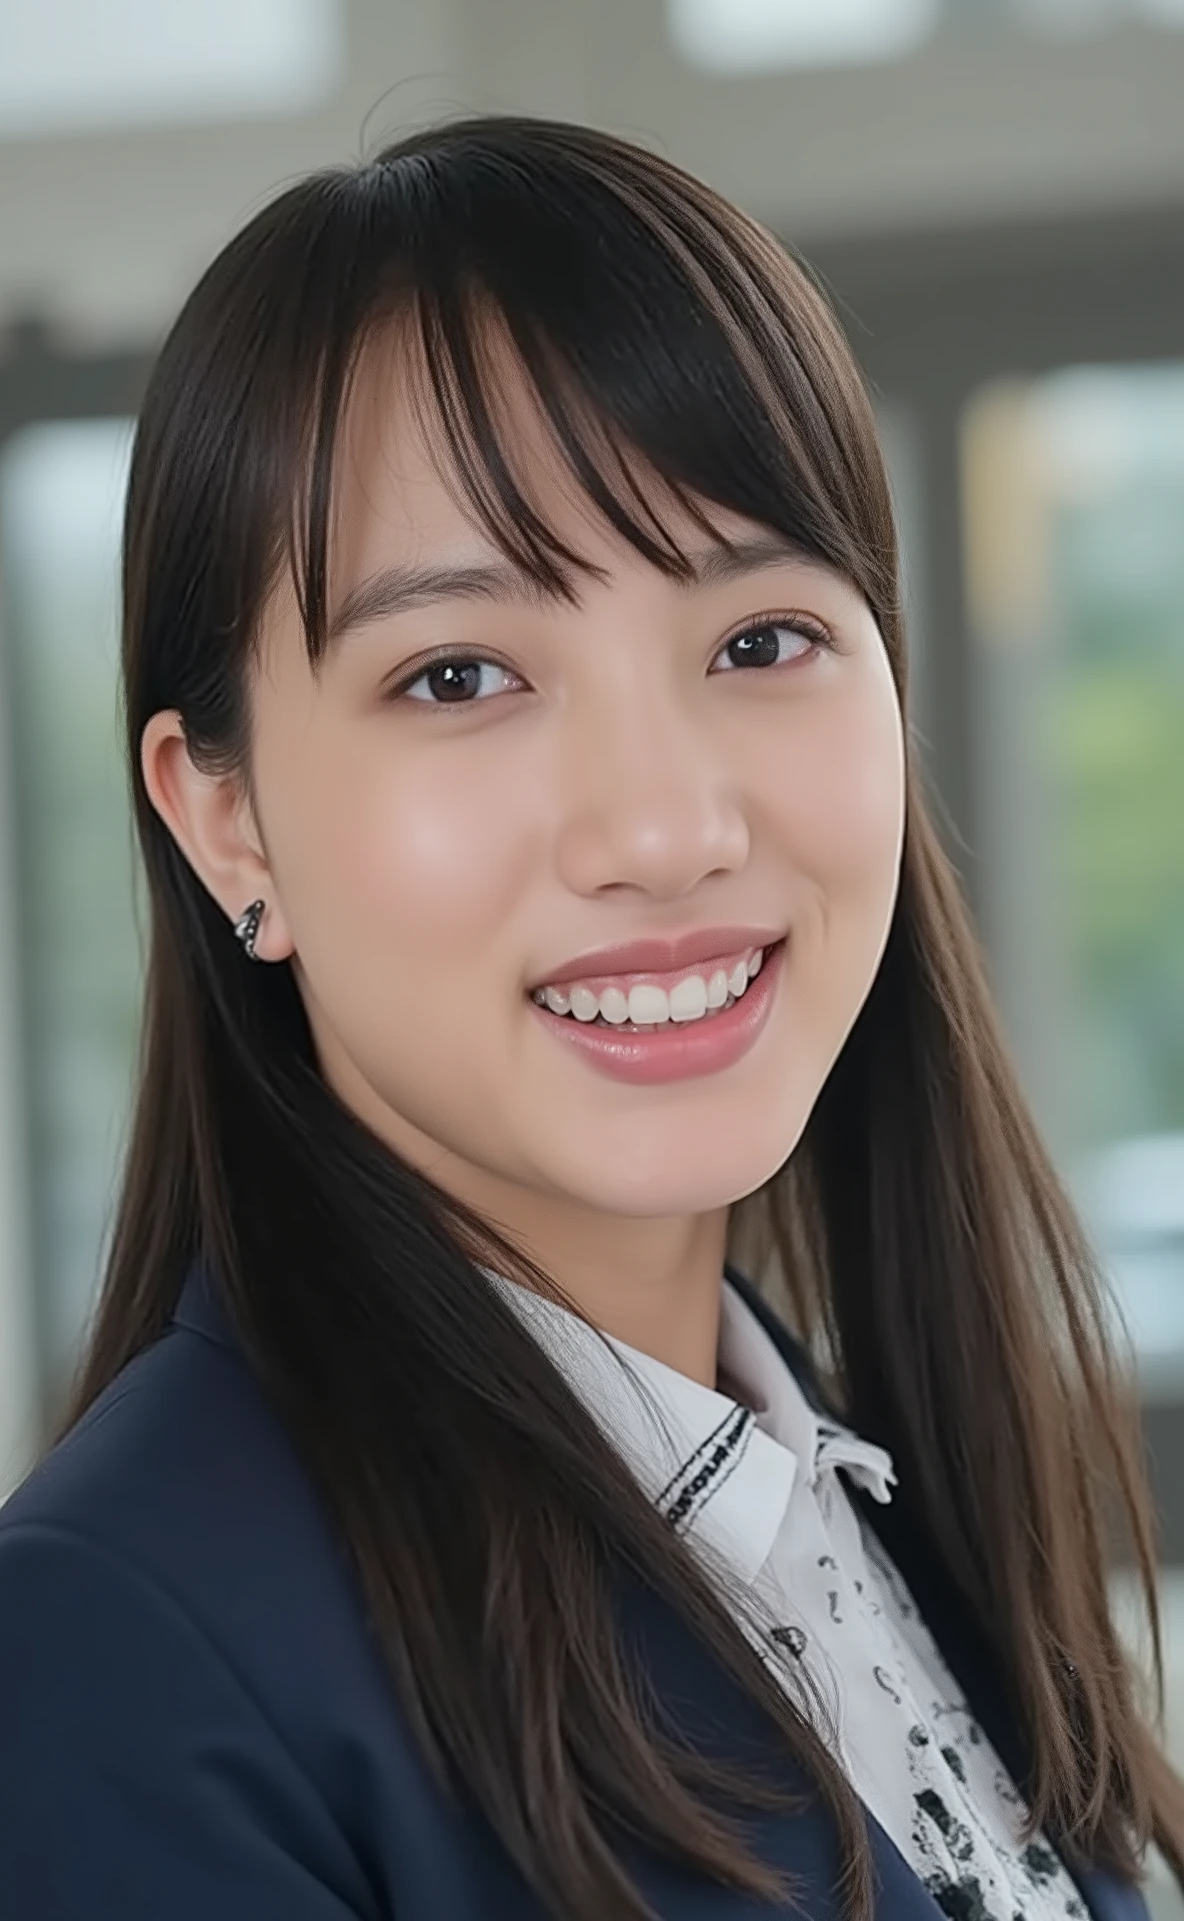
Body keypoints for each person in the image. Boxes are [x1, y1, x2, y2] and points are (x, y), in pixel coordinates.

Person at [0, 115, 1178, 1921]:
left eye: (761, 640)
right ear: (225, 820)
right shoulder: (112, 1658)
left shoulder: (864, 1504)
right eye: (459, 673)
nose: (665, 828)